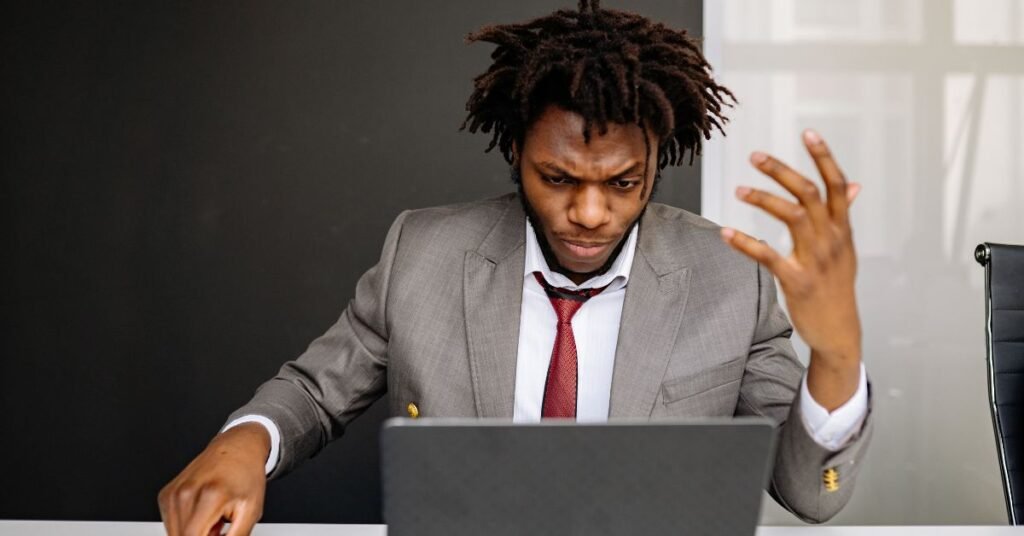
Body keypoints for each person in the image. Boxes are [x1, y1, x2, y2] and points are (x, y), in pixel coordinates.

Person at [158, 1, 872, 534]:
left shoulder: (729, 276)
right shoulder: (423, 254)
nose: (589, 212)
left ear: (659, 161)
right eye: (557, 178)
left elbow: (810, 494)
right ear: (514, 154)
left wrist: (837, 354)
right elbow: (315, 394)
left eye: (623, 182)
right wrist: (245, 442)